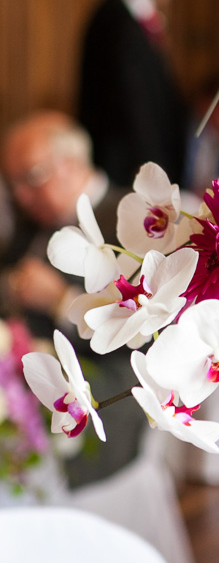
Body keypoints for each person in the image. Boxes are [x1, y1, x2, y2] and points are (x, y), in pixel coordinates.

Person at [0, 111, 144, 488]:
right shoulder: (32, 223)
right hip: (26, 385)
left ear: (71, 164)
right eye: (12, 184)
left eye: (30, 178)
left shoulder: (131, 218)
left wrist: (60, 300)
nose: (19, 195)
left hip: (104, 396)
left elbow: (139, 331)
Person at [78, 0, 189, 187]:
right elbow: (133, 110)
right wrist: (157, 178)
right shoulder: (117, 22)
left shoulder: (136, 17)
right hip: (129, 174)